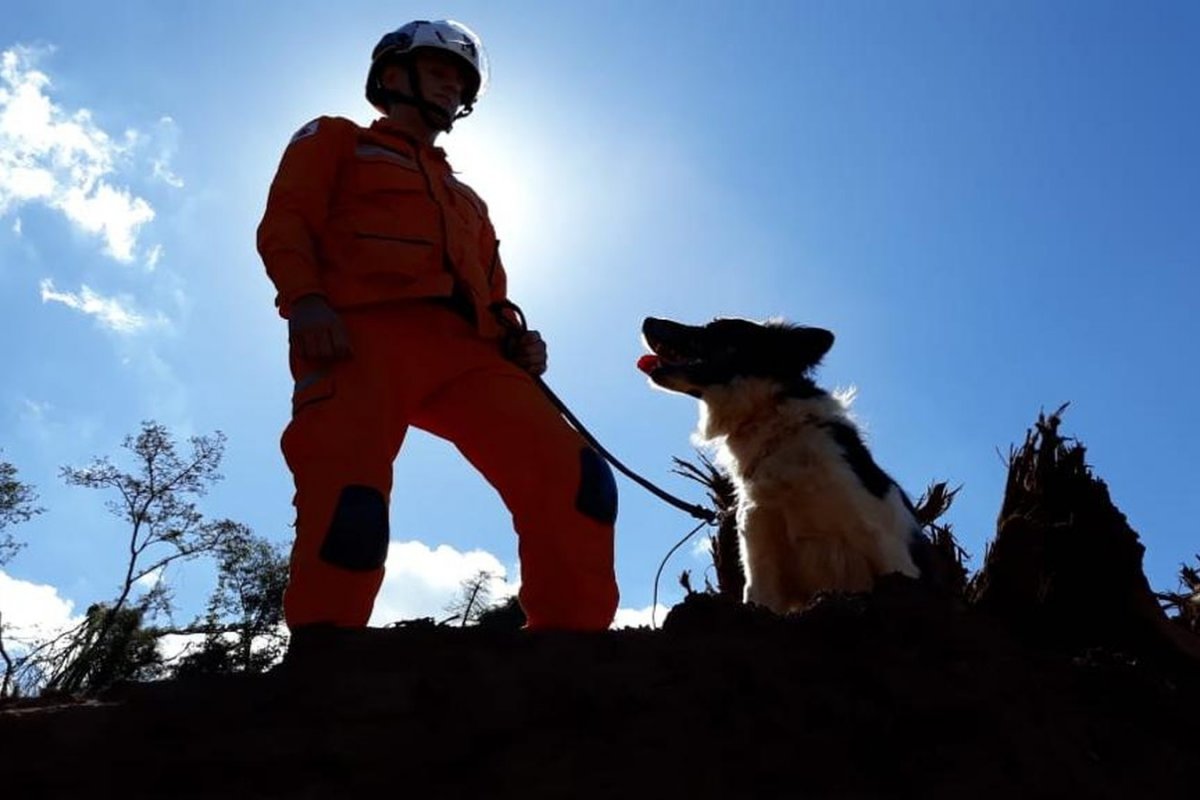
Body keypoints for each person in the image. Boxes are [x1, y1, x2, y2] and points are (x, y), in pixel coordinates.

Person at [257, 20, 619, 633]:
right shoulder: (336, 140)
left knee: (577, 475)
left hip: (471, 356)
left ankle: (571, 647)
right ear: (393, 75)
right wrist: (306, 300)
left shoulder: (469, 200)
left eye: (461, 79)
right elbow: (286, 220)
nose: (453, 86)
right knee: (352, 499)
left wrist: (518, 342)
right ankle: (325, 658)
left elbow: (495, 291)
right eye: (441, 70)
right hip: (360, 339)